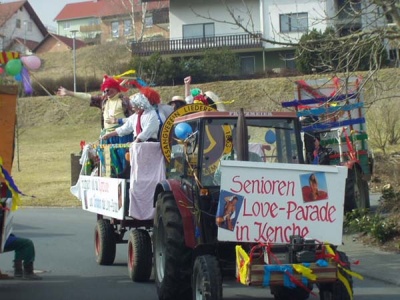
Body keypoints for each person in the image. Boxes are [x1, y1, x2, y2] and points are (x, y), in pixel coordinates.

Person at [58, 76, 134, 176]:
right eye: (105, 90)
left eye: (109, 89)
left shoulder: (124, 101)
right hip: (107, 137)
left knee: (124, 163)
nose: (106, 92)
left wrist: (118, 121)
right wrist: (69, 93)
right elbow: (87, 97)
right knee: (108, 163)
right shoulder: (103, 101)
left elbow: (134, 119)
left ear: (115, 88)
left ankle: (126, 184)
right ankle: (112, 181)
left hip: (122, 137)